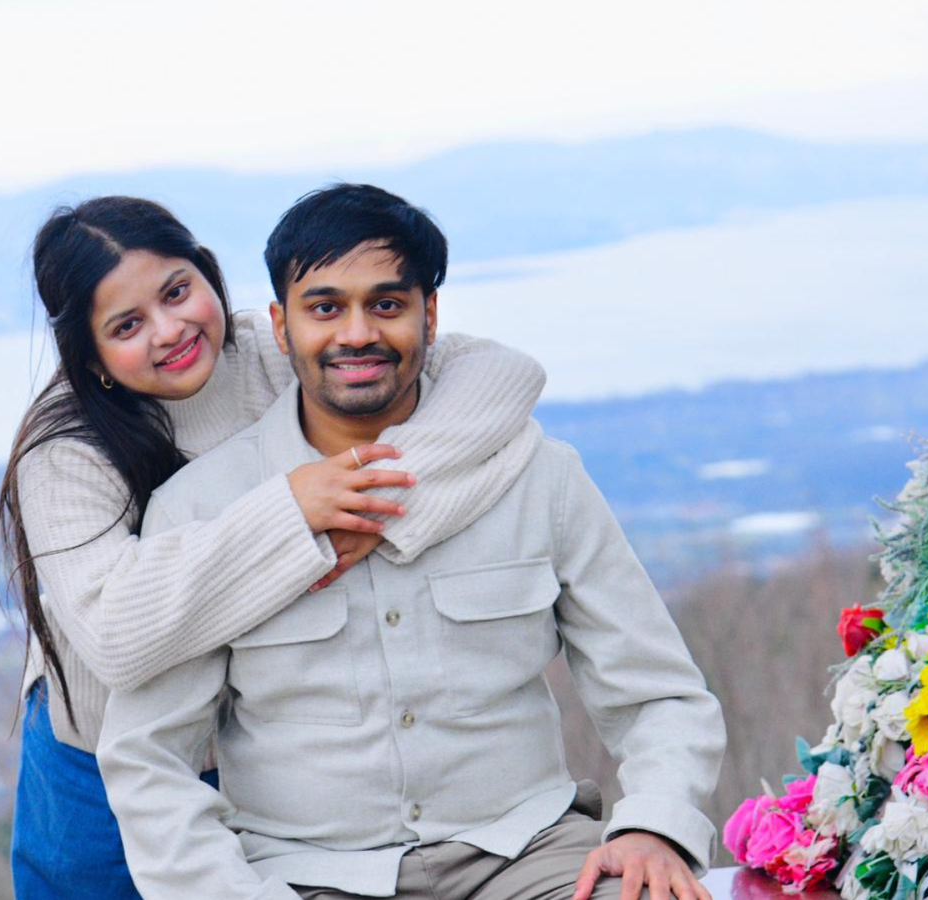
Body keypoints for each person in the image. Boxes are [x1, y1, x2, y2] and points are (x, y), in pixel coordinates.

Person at [97, 184, 727, 900]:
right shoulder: (201, 508)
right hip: (303, 877)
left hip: (532, 858)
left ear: (430, 314)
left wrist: (654, 826)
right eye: (324, 308)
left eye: (387, 304)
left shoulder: (539, 475)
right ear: (281, 326)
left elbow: (659, 694)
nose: (356, 334)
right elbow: (147, 760)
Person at [0, 195, 547, 899]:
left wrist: (370, 501)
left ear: (209, 272)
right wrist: (293, 511)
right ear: (90, 353)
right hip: (103, 764)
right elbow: (116, 638)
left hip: (273, 750)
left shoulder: (277, 351)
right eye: (127, 325)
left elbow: (503, 376)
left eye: (177, 291)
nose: (169, 330)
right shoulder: (66, 452)